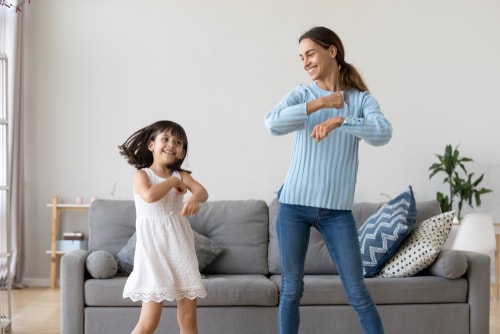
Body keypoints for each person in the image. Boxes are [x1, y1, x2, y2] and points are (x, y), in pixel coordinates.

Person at [264, 26, 392, 334]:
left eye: (310, 53)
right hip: (293, 206)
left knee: (357, 292)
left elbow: (383, 132)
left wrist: (342, 120)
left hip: (337, 212)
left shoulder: (360, 101)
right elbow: (272, 124)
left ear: (331, 51)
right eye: (301, 57)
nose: (305, 62)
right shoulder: (302, 94)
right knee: (292, 290)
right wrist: (320, 104)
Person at [118, 120, 208, 334]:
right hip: (153, 252)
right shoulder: (142, 175)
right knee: (150, 321)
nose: (171, 144)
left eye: (178, 142)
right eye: (165, 139)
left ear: (182, 151)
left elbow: (203, 192)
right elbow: (149, 196)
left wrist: (194, 198)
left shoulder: (182, 175)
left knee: (188, 318)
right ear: (151, 145)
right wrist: (171, 183)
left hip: (180, 247)